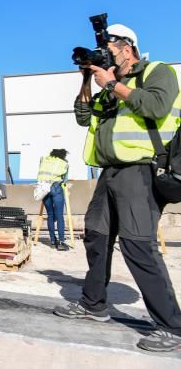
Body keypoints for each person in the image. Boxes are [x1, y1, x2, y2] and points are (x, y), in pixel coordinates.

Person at [54, 23, 181, 352]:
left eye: (109, 52)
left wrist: (112, 84)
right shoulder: (112, 85)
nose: (106, 59)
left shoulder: (158, 71)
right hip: (109, 173)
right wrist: (88, 78)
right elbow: (84, 117)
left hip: (141, 171)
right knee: (96, 236)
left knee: (138, 245)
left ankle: (172, 326)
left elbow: (155, 107)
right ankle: (93, 304)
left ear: (128, 49)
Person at [37, 149, 70, 251]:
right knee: (59, 216)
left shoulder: (43, 160)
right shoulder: (64, 163)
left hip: (44, 188)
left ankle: (52, 241)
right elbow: (65, 180)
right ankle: (61, 242)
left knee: (50, 215)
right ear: (63, 155)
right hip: (56, 187)